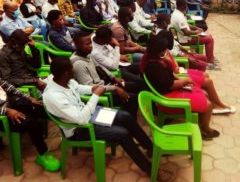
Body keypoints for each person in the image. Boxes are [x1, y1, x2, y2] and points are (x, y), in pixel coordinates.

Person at [43, 57, 171, 181]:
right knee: (123, 134)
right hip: (79, 129)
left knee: (125, 116)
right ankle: (150, 169)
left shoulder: (66, 81)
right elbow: (81, 119)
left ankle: (151, 148)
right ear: (66, 73)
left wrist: (92, 88)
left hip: (89, 114)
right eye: (72, 69)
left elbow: (78, 88)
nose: (74, 71)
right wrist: (95, 95)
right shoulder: (54, 97)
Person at [140, 34, 219, 140]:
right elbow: (170, 85)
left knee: (204, 93)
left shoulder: (156, 59)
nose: (166, 51)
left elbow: (171, 75)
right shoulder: (153, 65)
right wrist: (185, 81)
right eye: (164, 49)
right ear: (158, 50)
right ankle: (205, 129)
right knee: (208, 104)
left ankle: (201, 124)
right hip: (165, 97)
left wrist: (180, 79)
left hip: (168, 90)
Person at [157, 30, 235, 114]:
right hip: (179, 74)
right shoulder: (163, 55)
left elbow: (175, 63)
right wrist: (180, 73)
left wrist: (183, 57)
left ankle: (214, 101)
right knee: (208, 81)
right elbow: (173, 72)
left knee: (206, 75)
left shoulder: (165, 50)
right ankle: (216, 104)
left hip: (179, 71)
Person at [70, 32, 138, 116]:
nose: (91, 45)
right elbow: (91, 88)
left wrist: (113, 78)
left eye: (90, 42)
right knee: (132, 98)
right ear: (77, 45)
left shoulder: (87, 54)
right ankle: (127, 119)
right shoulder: (78, 65)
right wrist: (114, 88)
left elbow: (99, 66)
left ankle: (127, 112)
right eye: (87, 44)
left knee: (135, 85)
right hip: (102, 94)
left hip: (106, 85)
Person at [0, 78, 61, 171]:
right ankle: (43, 154)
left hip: (11, 105)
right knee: (32, 124)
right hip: (3, 117)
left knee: (41, 108)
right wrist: (6, 111)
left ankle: (72, 134)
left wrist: (27, 97)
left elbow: (11, 88)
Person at [91, 26, 146, 92]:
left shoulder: (100, 38)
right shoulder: (95, 52)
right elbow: (114, 66)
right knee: (140, 81)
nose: (110, 41)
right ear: (101, 40)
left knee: (144, 66)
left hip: (121, 63)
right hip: (116, 70)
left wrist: (120, 56)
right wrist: (117, 46)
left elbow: (112, 52)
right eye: (108, 40)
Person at [171, 0, 219, 68]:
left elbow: (186, 24)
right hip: (186, 39)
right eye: (186, 6)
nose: (186, 7)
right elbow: (186, 32)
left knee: (209, 36)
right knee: (209, 39)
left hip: (185, 37)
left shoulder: (176, 13)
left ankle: (211, 57)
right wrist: (196, 32)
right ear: (183, 6)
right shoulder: (179, 17)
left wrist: (196, 28)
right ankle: (210, 60)